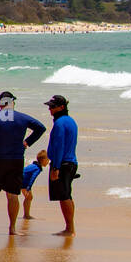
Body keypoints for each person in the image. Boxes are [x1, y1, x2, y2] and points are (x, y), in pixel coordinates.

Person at [0, 91, 46, 234]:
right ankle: (12, 229)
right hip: (16, 161)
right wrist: (27, 142)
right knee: (12, 196)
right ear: (12, 103)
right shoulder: (22, 118)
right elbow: (41, 128)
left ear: (0, 103)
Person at [43, 94, 79, 235]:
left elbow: (59, 146)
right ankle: (70, 227)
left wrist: (56, 167)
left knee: (64, 196)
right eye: (49, 107)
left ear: (61, 107)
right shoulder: (70, 121)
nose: (50, 109)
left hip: (62, 163)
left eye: (52, 107)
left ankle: (70, 228)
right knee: (66, 195)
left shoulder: (60, 123)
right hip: (69, 162)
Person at [20, 150, 50, 220]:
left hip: (20, 179)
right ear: (43, 160)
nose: (48, 162)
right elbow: (33, 178)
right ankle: (26, 215)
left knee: (29, 197)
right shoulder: (37, 168)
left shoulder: (34, 165)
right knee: (29, 197)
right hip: (23, 182)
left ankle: (26, 214)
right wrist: (28, 188)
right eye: (48, 160)